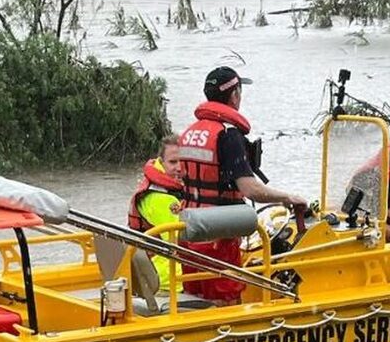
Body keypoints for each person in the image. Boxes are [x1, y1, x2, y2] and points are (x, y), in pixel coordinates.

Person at [178, 66, 307, 303]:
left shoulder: (189, 133)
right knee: (225, 301)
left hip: (188, 233)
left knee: (194, 299)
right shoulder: (228, 134)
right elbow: (251, 189)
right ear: (234, 95)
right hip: (219, 235)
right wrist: (288, 198)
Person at [128, 134, 184, 290]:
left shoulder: (158, 187)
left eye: (183, 162)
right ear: (161, 161)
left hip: (151, 273)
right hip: (168, 280)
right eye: (173, 162)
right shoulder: (162, 199)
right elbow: (181, 241)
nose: (179, 168)